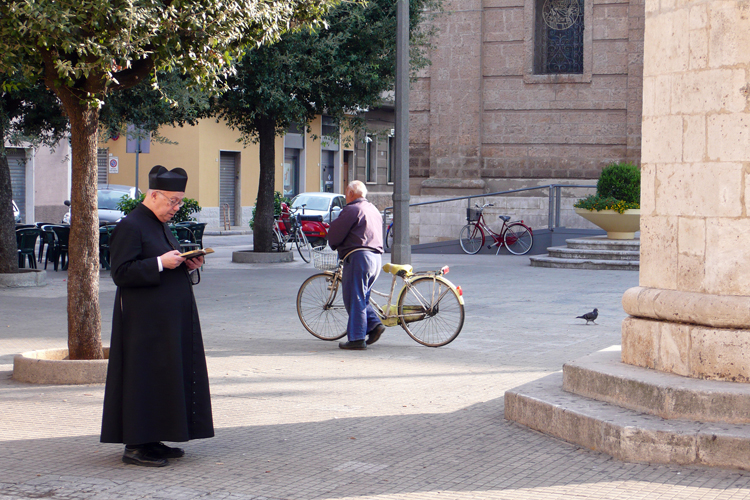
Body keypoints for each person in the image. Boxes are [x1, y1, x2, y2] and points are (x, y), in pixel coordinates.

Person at [101, 165, 214, 467]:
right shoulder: (132, 225)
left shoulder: (160, 223)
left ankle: (154, 438)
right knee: (144, 380)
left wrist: (187, 262)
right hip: (143, 325)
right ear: (153, 195)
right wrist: (161, 264)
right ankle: (136, 446)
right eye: (172, 201)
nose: (176, 208)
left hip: (165, 323)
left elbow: (164, 259)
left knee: (163, 379)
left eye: (179, 201)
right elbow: (121, 273)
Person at [327, 180, 385, 350]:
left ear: (351, 194)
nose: (346, 197)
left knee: (355, 297)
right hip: (375, 258)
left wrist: (333, 240)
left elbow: (336, 233)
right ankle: (374, 325)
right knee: (362, 295)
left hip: (359, 257)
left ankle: (357, 338)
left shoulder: (352, 209)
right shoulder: (373, 209)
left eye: (346, 193)